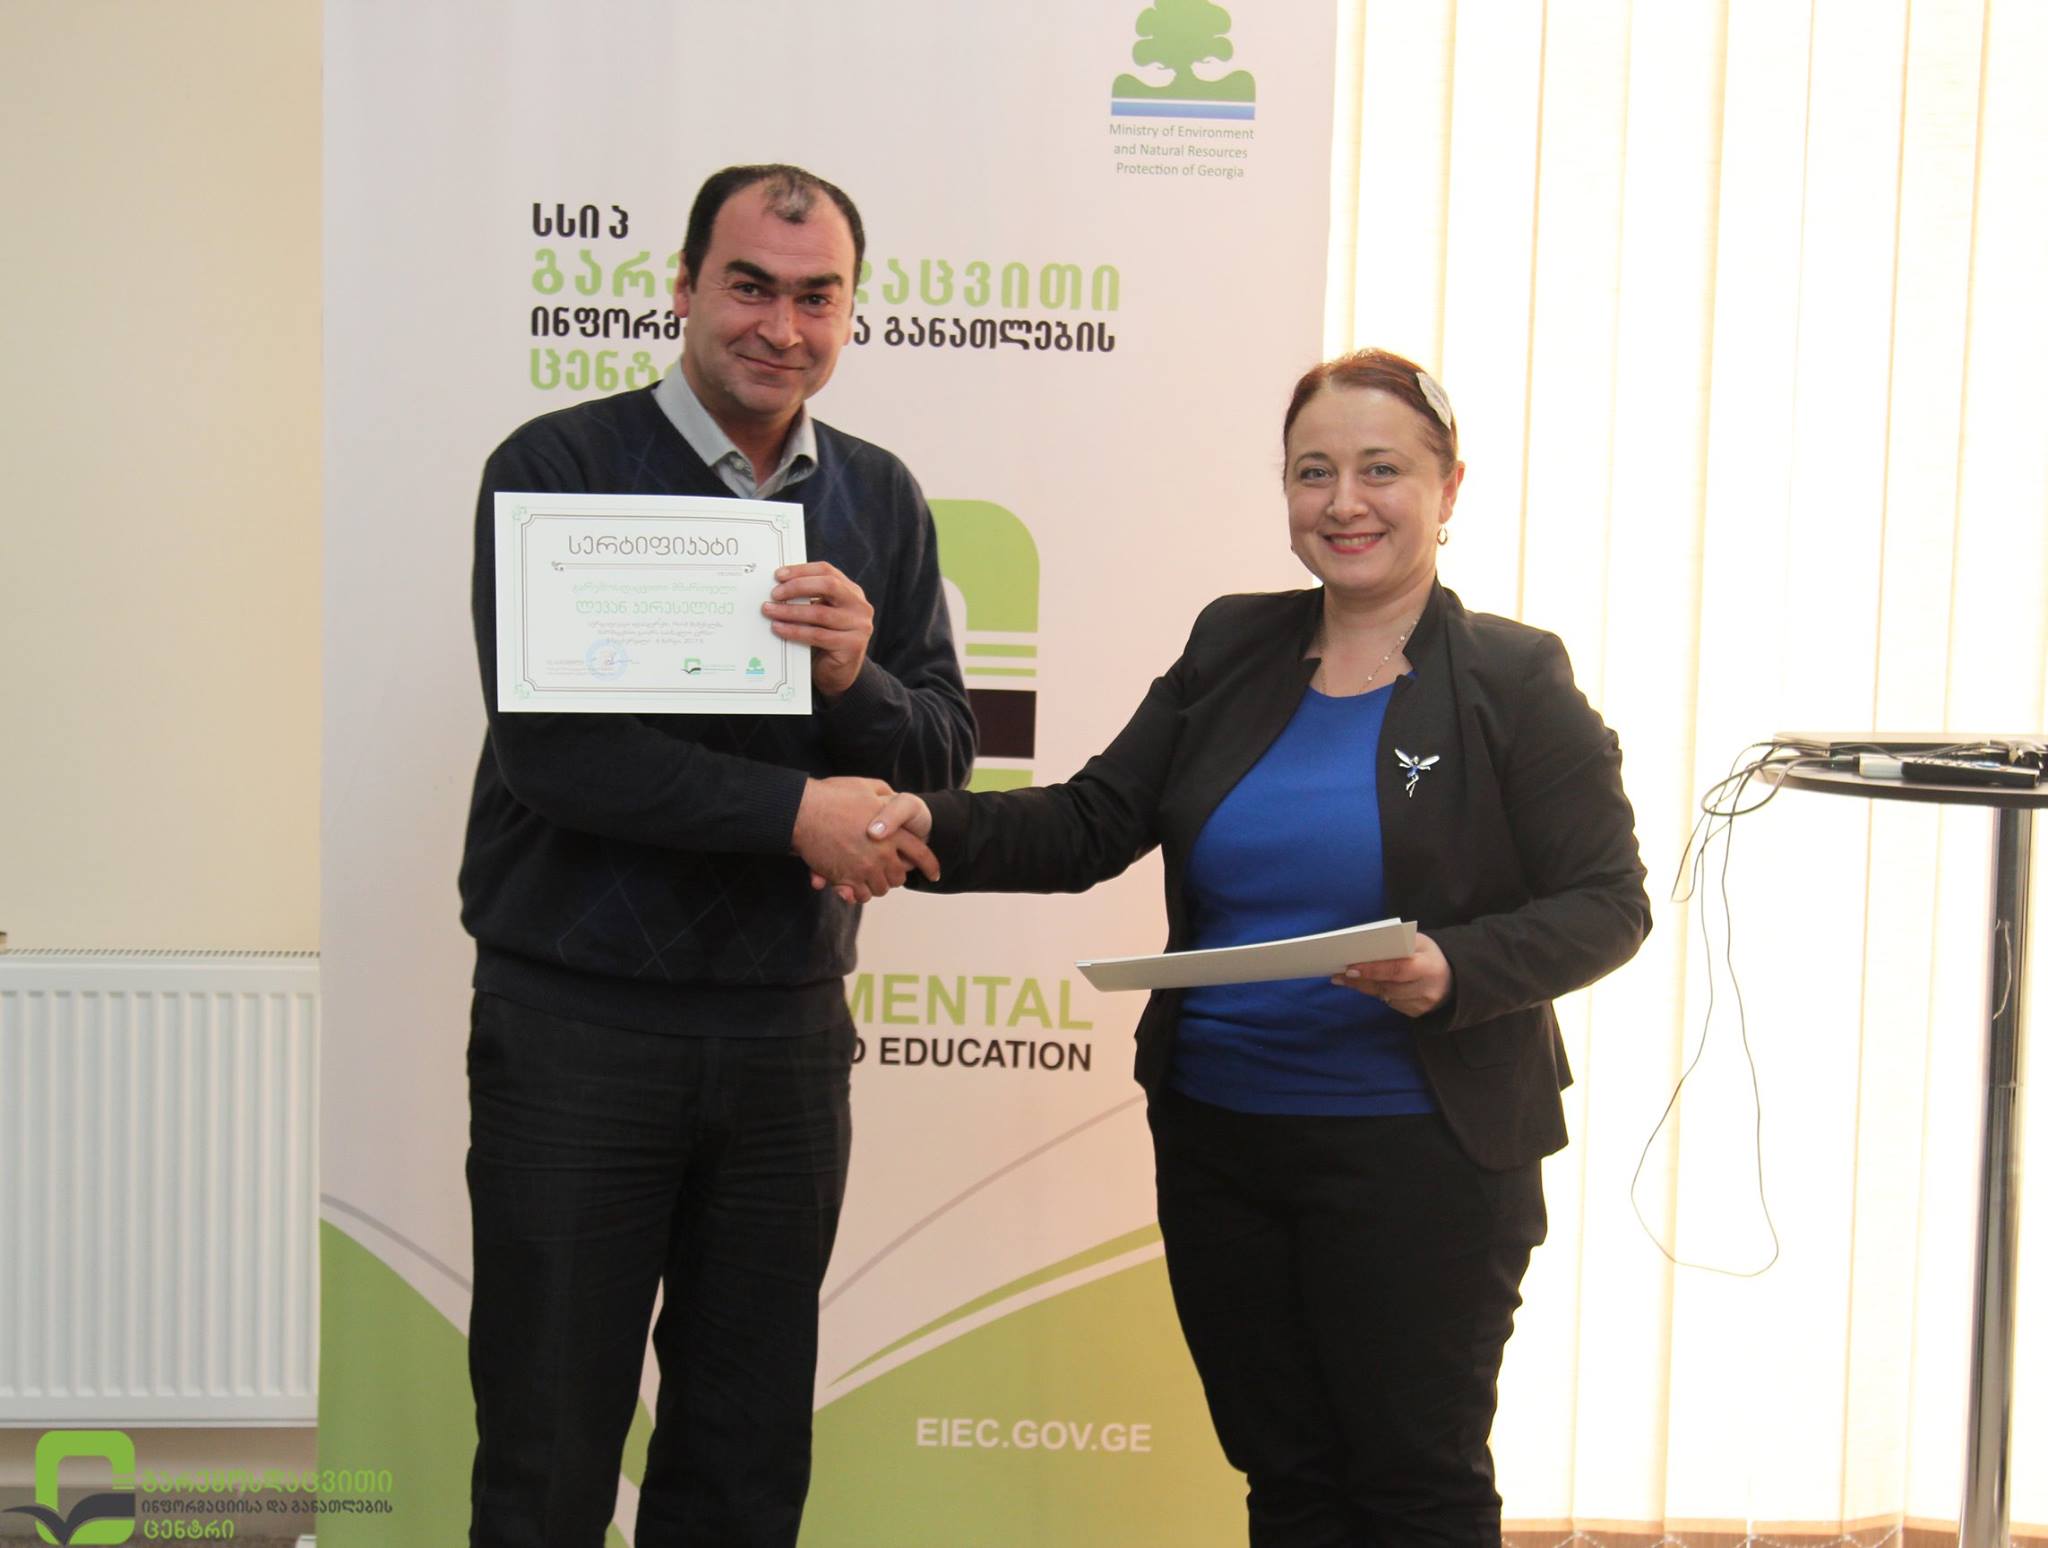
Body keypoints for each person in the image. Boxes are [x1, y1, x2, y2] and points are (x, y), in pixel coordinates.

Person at [837, 349, 1650, 1546]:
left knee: (1413, 1486)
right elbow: (1090, 822)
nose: (1343, 502)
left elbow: (1606, 902)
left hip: (1420, 1153)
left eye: (1380, 470)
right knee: (1287, 1481)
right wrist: (928, 821)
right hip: (1220, 1141)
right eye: (1312, 472)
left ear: (1447, 488)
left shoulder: (1511, 678)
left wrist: (1452, 969)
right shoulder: (1230, 645)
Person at [458, 163, 972, 1548]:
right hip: (577, 1030)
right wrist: (791, 814)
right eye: (749, 287)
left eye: (816, 297)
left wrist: (856, 678)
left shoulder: (880, 495)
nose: (780, 327)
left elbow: (939, 756)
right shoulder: (556, 468)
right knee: (547, 1449)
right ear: (683, 288)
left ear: (850, 310)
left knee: (743, 1462)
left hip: (783, 1039)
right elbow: (554, 756)